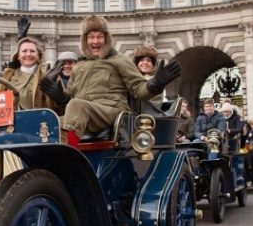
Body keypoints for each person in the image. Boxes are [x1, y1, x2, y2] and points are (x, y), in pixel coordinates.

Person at [39, 15, 180, 142]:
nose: (95, 41)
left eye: (99, 36)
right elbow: (69, 103)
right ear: (84, 40)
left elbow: (139, 89)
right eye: (91, 37)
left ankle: (70, 159)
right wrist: (59, 97)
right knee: (44, 123)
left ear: (106, 38)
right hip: (83, 115)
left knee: (77, 105)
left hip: (111, 111)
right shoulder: (79, 66)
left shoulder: (120, 60)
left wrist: (155, 84)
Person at [0, 36, 56, 111]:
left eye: (32, 51)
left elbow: (58, 109)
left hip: (41, 121)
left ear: (38, 55)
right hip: (14, 121)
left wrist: (60, 99)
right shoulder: (7, 76)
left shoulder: (48, 75)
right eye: (24, 51)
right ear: (18, 56)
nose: (28, 54)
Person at [132, 44, 164, 108]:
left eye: (149, 60)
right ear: (137, 64)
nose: (145, 63)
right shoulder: (133, 78)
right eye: (141, 60)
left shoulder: (156, 80)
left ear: (153, 65)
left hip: (149, 113)